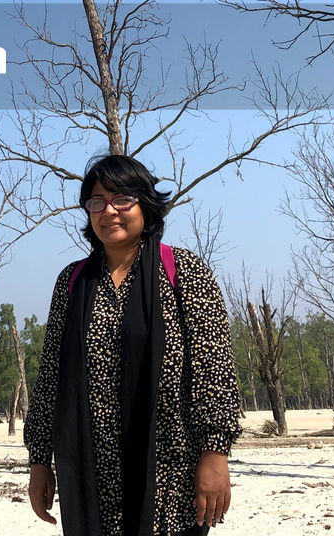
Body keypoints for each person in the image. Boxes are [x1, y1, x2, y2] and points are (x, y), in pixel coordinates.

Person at [25, 154, 242, 536]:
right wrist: (40, 461)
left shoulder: (183, 271)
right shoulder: (72, 282)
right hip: (91, 473)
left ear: (145, 204)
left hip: (168, 473)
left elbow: (215, 370)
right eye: (96, 201)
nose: (109, 210)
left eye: (122, 199)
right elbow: (50, 380)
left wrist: (215, 453)